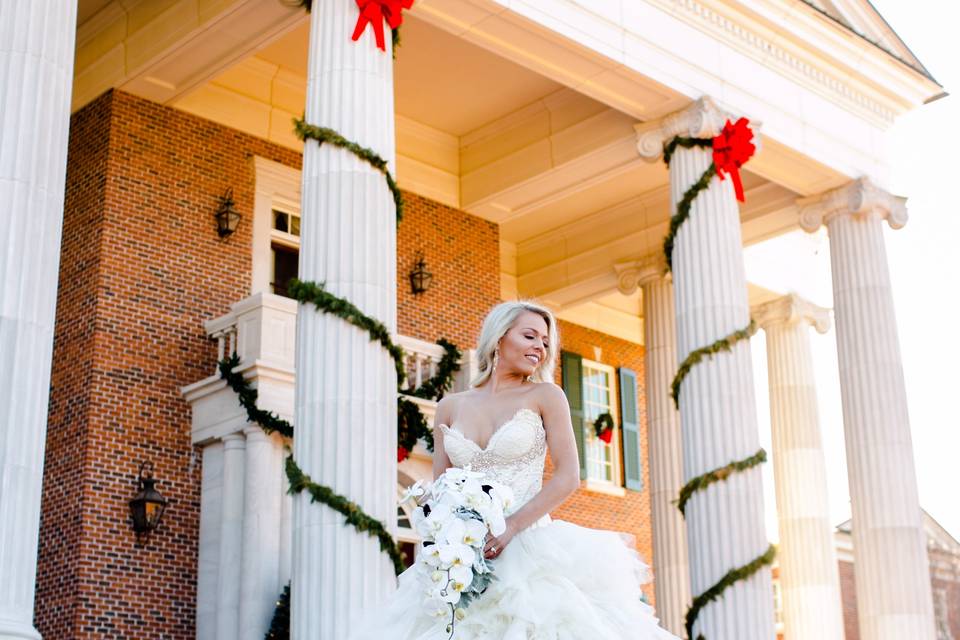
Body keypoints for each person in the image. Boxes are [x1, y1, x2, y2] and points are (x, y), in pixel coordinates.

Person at [351, 301, 678, 639]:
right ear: (499, 337)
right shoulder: (450, 407)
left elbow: (567, 477)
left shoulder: (545, 396)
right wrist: (448, 544)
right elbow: (442, 488)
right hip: (465, 557)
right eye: (530, 336)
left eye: (545, 342)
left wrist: (511, 526)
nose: (540, 347)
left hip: (529, 547)